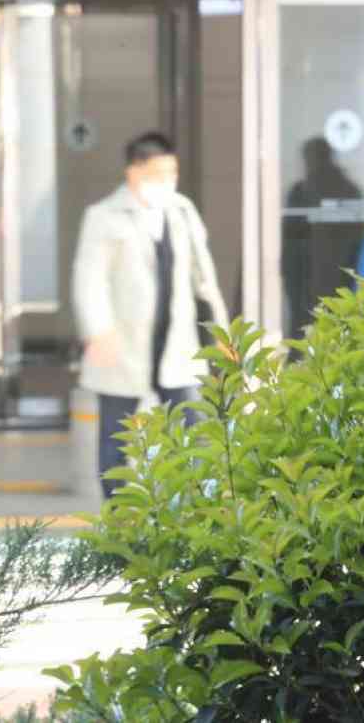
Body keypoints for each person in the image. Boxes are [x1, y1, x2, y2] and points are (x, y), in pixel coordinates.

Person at [72, 131, 229, 499]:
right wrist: (98, 331)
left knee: (193, 428)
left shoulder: (182, 211)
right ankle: (118, 512)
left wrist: (222, 333)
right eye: (158, 173)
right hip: (123, 343)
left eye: (172, 173)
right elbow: (89, 278)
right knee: (116, 436)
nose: (167, 181)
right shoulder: (104, 216)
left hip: (177, 342)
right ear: (134, 172)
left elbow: (204, 278)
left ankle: (199, 506)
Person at [281, 137, 364, 336]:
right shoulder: (302, 193)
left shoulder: (344, 192)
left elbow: (358, 239)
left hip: (328, 285)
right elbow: (290, 243)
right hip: (316, 285)